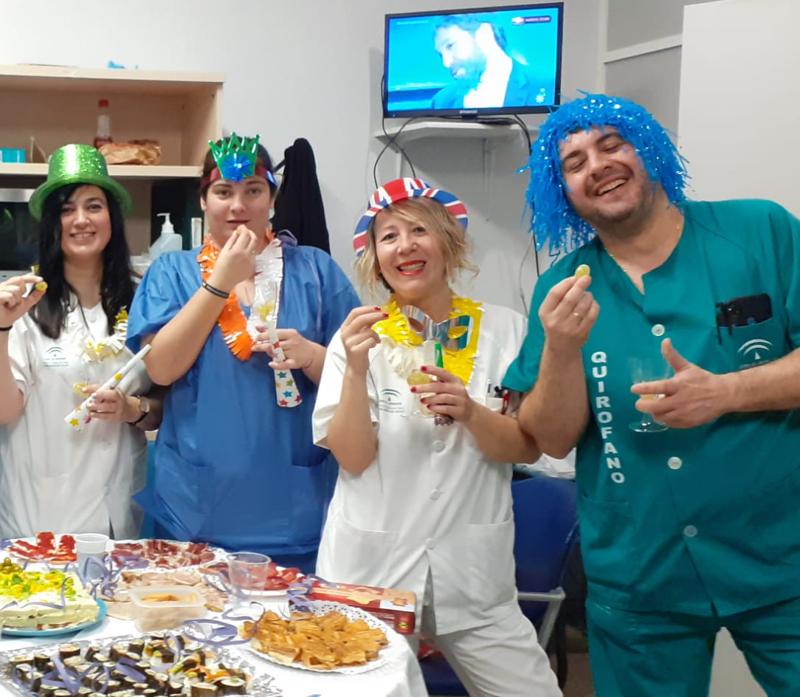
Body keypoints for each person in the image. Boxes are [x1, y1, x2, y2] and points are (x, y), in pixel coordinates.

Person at [505, 93, 800, 696]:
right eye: (574, 162)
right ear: (561, 192)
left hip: (782, 558)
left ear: (651, 150)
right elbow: (549, 437)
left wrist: (726, 393)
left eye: (613, 144)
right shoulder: (563, 287)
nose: (598, 165)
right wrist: (561, 348)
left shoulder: (760, 230)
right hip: (640, 574)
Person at [313, 177, 561, 696]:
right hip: (371, 569)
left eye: (420, 230)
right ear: (375, 259)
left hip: (472, 572)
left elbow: (526, 446)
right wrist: (357, 372)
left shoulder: (507, 330)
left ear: (449, 241)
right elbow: (353, 458)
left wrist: (472, 412)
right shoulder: (358, 337)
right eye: (388, 236)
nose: (405, 246)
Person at [126, 133, 359, 571]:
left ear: (271, 198)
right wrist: (219, 283)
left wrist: (311, 356)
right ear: (203, 202)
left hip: (295, 510)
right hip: (194, 515)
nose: (238, 205)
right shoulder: (171, 272)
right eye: (223, 192)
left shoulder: (317, 271)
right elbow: (159, 367)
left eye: (253, 190)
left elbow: (359, 380)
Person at [0, 144, 159, 538]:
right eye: (66, 209)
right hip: (37, 519)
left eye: (94, 206)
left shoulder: (144, 300)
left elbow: (165, 408)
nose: (80, 220)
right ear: (50, 224)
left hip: (118, 519)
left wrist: (131, 409)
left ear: (112, 218)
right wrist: (1, 327)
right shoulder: (21, 302)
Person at [431, 14, 551, 110]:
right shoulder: (441, 102)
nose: (446, 63)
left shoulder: (547, 84)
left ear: (484, 33)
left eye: (450, 46)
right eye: (440, 55)